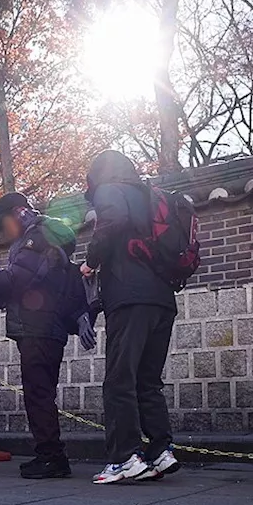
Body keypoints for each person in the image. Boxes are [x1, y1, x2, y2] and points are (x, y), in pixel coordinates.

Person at [81, 150, 180, 484]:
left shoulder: (111, 190)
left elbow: (112, 221)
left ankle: (125, 458)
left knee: (119, 380)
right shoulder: (150, 197)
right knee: (148, 380)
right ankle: (160, 452)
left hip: (129, 297)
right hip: (162, 299)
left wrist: (91, 260)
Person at [0, 192, 87, 479]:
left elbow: (18, 279)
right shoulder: (47, 238)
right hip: (48, 327)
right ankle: (49, 454)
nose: (6, 231)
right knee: (42, 393)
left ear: (20, 212)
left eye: (6, 222)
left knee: (38, 394)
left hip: (38, 326)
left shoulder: (37, 238)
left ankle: (51, 456)